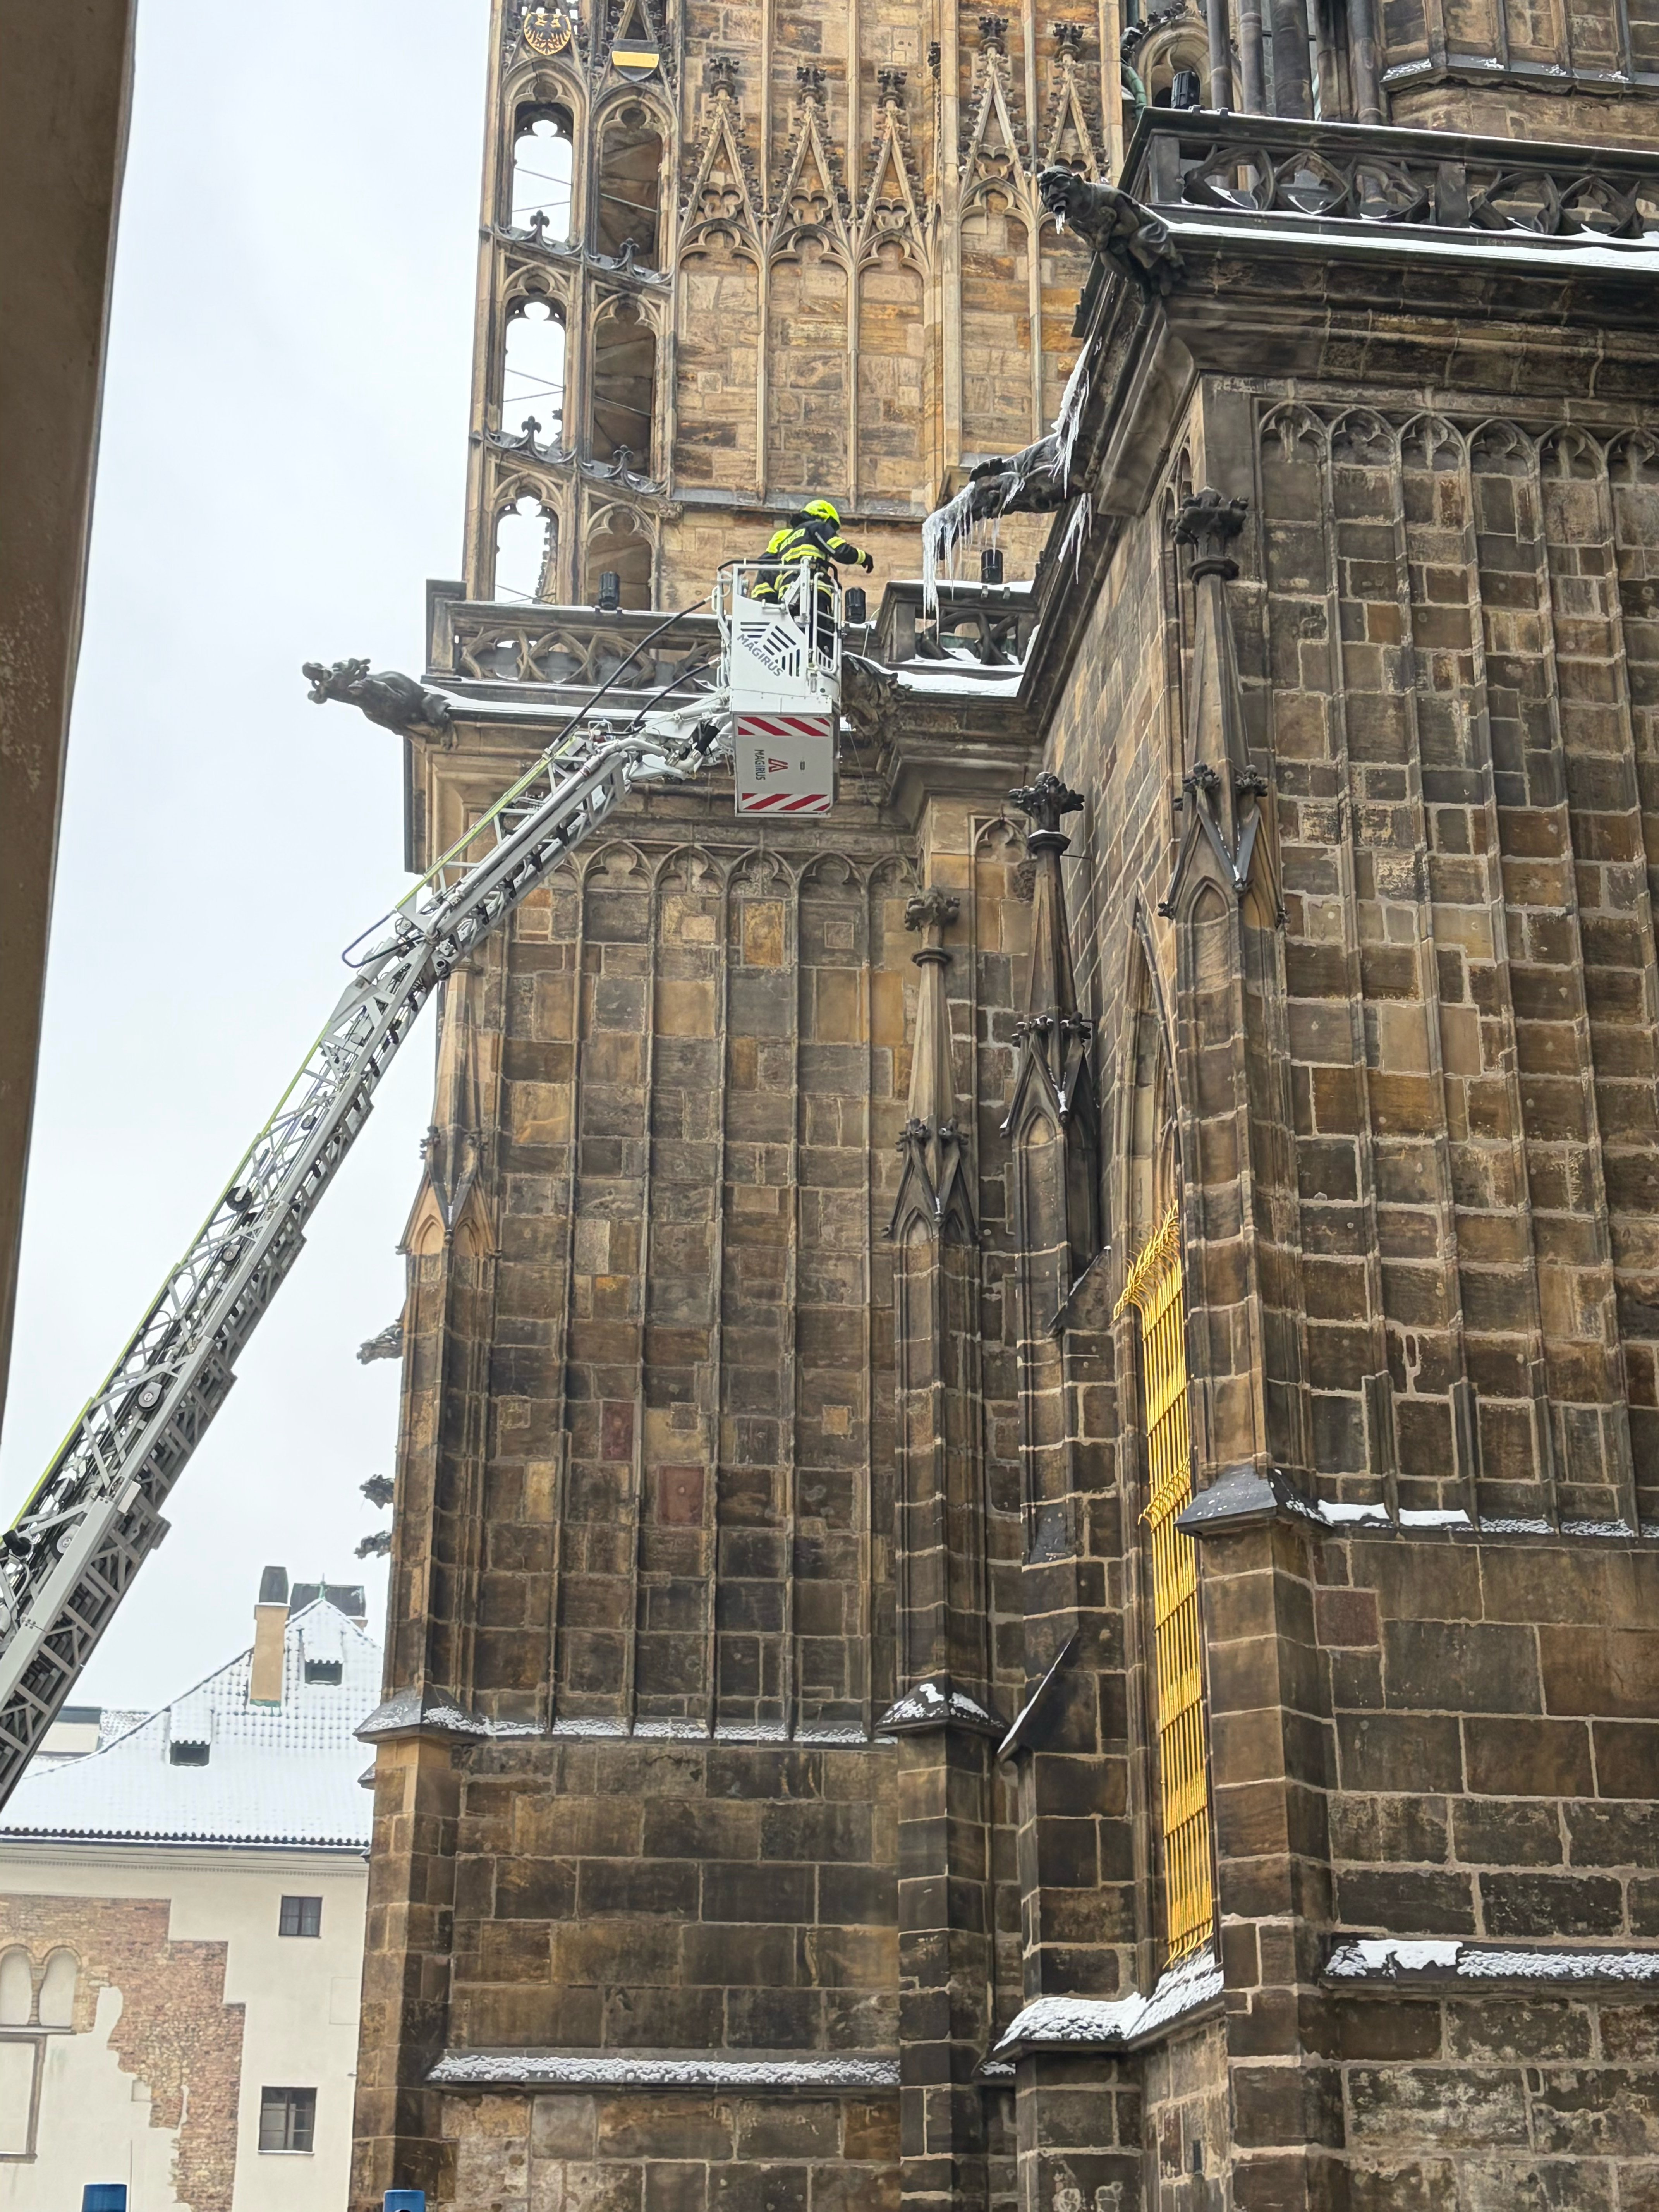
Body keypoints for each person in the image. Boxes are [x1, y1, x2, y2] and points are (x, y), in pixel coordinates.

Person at [751, 500, 874, 653]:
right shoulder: (816, 527)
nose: (831, 530)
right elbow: (840, 550)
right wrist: (864, 558)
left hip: (787, 596)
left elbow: (769, 572)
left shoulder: (786, 541)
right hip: (812, 591)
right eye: (832, 527)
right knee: (820, 637)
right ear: (824, 518)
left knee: (795, 638)